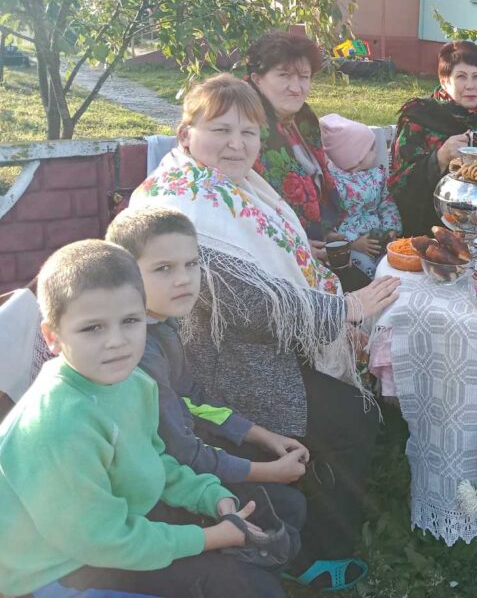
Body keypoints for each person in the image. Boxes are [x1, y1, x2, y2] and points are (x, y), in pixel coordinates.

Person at [131, 74, 400, 592]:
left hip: (250, 347)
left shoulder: (224, 185)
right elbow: (251, 304)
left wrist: (330, 302)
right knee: (353, 419)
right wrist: (345, 309)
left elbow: (272, 271)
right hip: (215, 367)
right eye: (221, 130)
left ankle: (308, 519)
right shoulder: (185, 205)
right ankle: (317, 554)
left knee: (348, 410)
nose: (237, 144)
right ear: (186, 133)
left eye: (248, 132)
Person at [0, 240, 281, 598]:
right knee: (227, 582)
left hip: (107, 530)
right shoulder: (58, 425)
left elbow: (154, 460)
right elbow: (105, 541)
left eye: (130, 321)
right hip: (49, 573)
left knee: (246, 577)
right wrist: (211, 537)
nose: (117, 341)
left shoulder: (135, 383)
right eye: (93, 328)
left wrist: (211, 497)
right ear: (53, 337)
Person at [106, 206, 309, 525]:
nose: (183, 279)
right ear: (125, 274)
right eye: (163, 268)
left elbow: (191, 397)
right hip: (153, 489)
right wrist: (268, 473)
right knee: (287, 507)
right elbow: (180, 451)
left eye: (192, 264)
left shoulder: (159, 320)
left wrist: (261, 435)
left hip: (181, 454)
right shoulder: (137, 352)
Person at [389, 40, 477, 236]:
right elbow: (400, 186)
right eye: (461, 77)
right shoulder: (421, 117)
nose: (470, 86)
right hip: (434, 229)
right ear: (444, 81)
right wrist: (440, 157)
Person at [246, 30, 345, 263]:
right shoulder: (244, 124)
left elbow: (318, 180)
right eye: (284, 75)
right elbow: (241, 204)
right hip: (271, 255)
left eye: (304, 77)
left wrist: (326, 231)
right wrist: (293, 244)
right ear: (257, 79)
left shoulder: (302, 119)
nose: (296, 87)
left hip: (315, 246)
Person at [320, 114, 402, 278]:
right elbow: (329, 220)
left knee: (392, 266)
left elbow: (386, 203)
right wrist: (352, 243)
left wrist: (391, 228)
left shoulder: (377, 175)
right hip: (354, 246)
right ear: (356, 156)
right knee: (365, 271)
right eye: (371, 149)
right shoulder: (332, 183)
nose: (376, 151)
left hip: (380, 237)